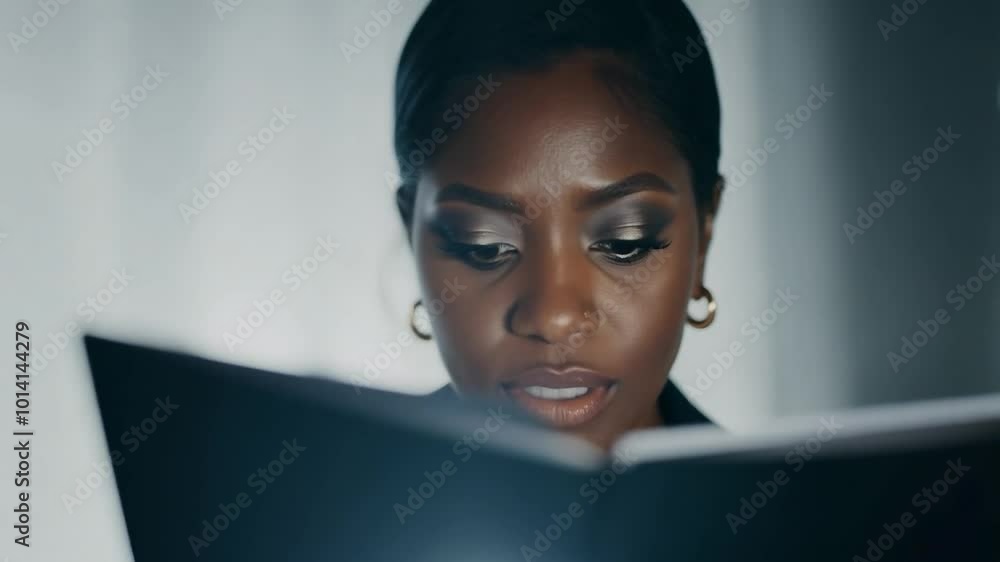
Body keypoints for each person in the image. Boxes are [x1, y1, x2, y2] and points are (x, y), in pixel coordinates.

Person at [392, 0, 723, 451]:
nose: (554, 319)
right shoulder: (312, 513)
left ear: (703, 237)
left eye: (624, 243)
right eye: (483, 247)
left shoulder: (804, 519)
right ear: (412, 234)